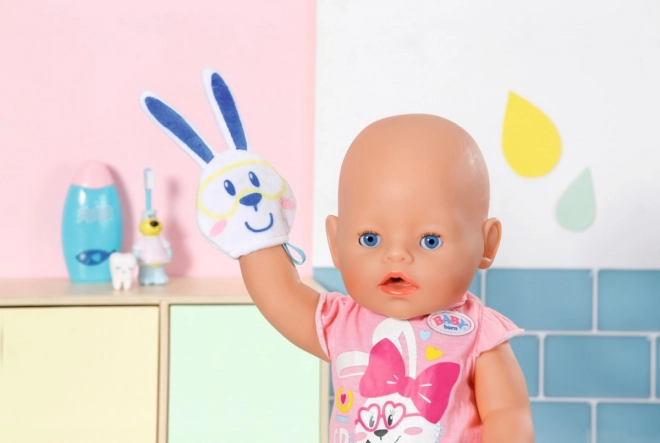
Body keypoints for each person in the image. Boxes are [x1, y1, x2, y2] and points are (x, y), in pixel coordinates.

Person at [141, 71, 534, 442]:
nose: (396, 255)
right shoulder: (344, 323)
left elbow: (508, 414)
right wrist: (255, 232)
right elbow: (281, 296)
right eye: (370, 238)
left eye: (429, 240)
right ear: (336, 241)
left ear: (486, 245)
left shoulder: (477, 333)